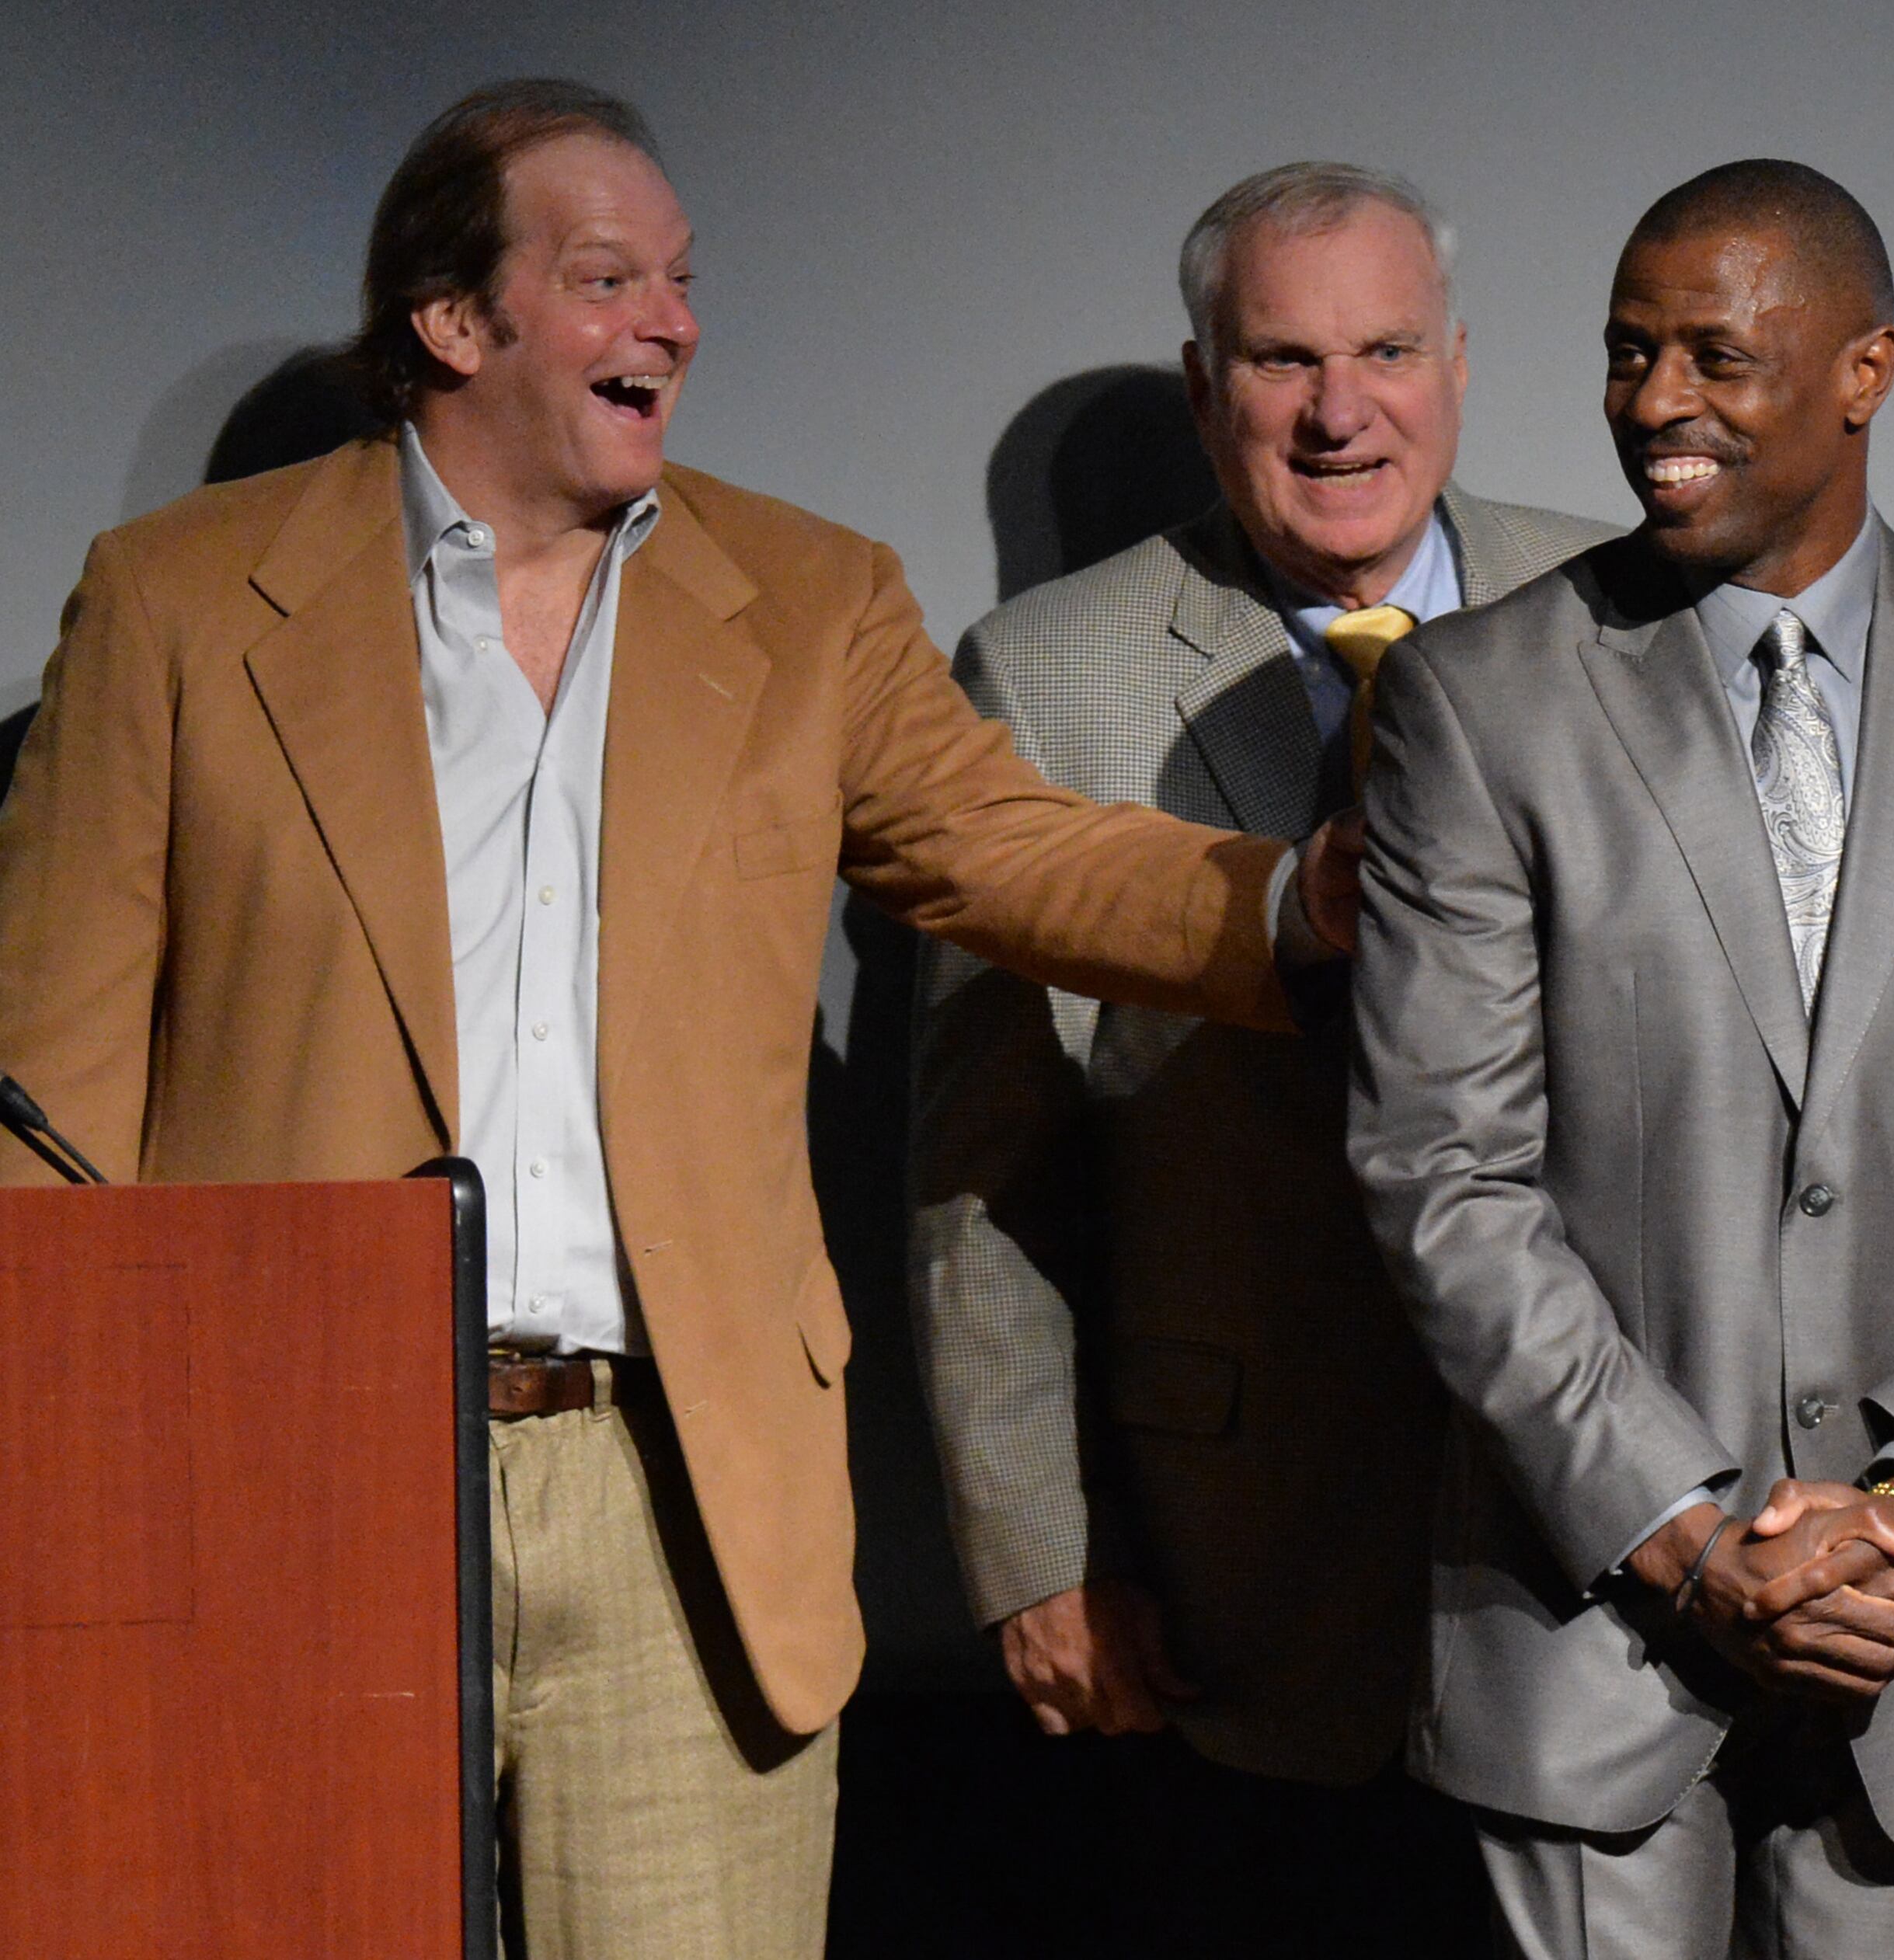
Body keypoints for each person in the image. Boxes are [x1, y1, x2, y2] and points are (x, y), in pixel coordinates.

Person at [0, 81, 1353, 1960]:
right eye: (608, 276)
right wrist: (72, 1541)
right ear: (455, 322)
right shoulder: (175, 602)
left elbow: (1011, 852)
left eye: (685, 280)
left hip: (677, 1502)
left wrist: (1298, 903)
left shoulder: (806, 600)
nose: (676, 322)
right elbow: (42, 1114)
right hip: (288, 1478)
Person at [1345, 158, 1894, 1958]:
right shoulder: (1480, 701)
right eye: (1628, 355)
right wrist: (1688, 1532)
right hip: (1589, 1646)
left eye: (1714, 358)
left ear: (1865, 368)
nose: (1656, 406)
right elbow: (1446, 1178)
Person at [906, 160, 1607, 1948]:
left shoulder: (1611, 606)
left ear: (1456, 361)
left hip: (1583, 1528)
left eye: (1384, 348)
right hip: (1237, 1556)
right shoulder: (1045, 670)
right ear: (1209, 381)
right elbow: (985, 1156)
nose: (1339, 410)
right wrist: (1041, 1546)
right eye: (1283, 360)